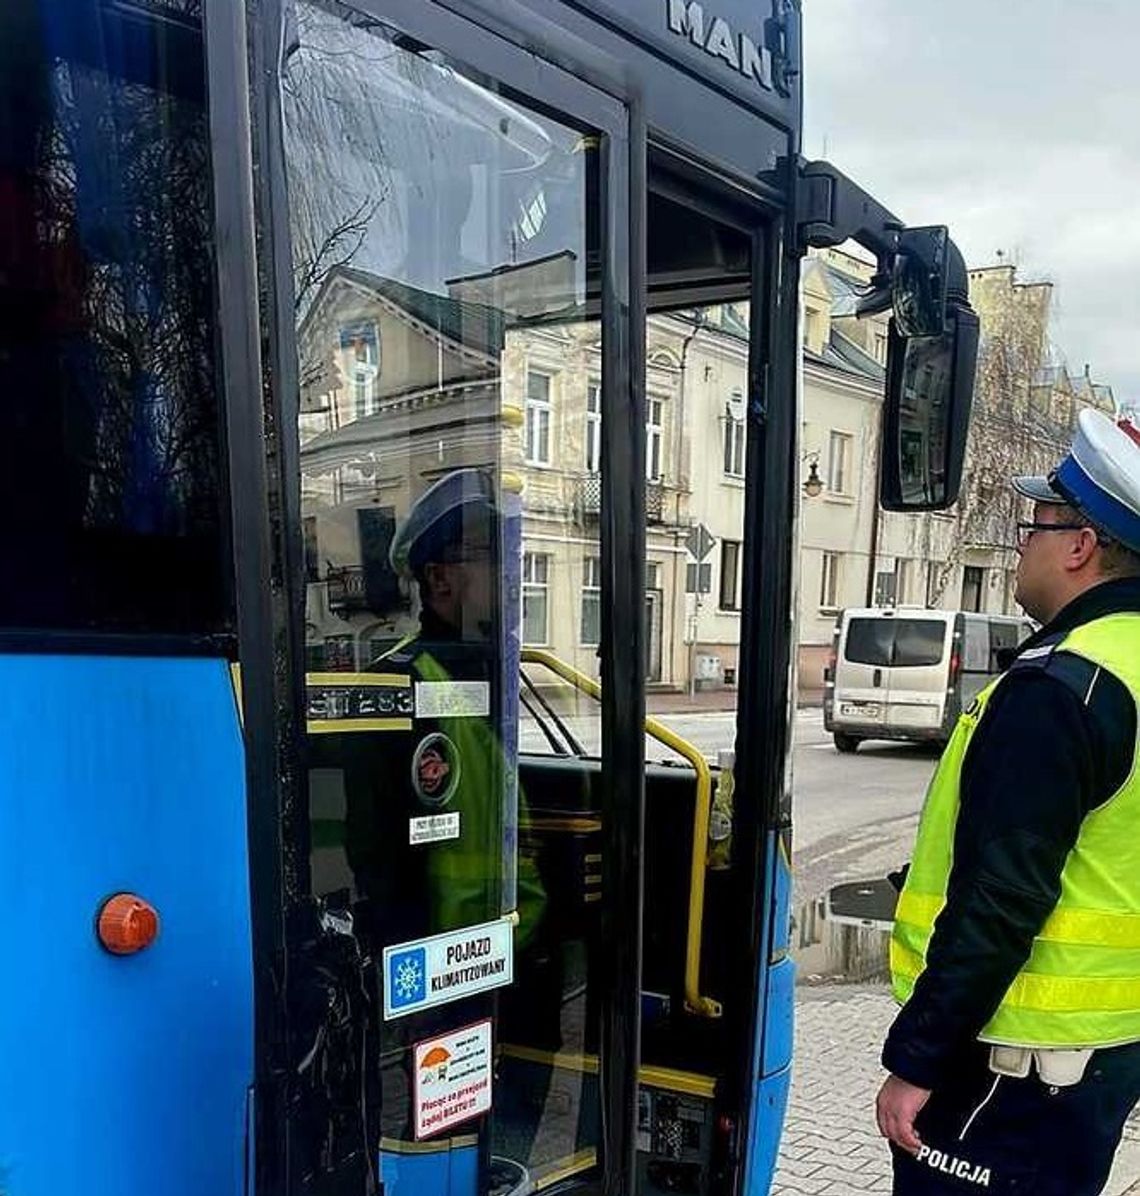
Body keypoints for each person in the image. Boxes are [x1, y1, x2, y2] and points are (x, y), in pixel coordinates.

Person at [877, 409, 1140, 1194]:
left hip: (1010, 1064)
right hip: (1097, 1057)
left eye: (1036, 523)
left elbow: (1002, 900)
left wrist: (917, 1061)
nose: (1022, 542)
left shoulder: (1062, 687)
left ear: (1080, 546)